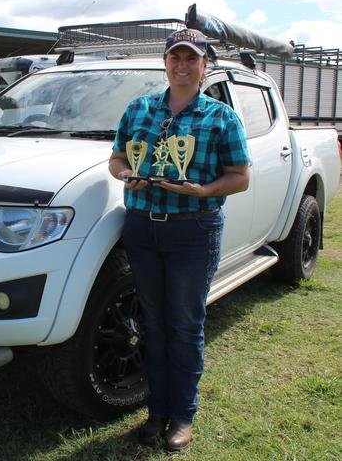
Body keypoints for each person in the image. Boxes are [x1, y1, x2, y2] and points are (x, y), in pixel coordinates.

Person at [108, 28, 250, 451]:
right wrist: (125, 175)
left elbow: (240, 177)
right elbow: (117, 158)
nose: (182, 65)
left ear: (205, 66)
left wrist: (203, 191)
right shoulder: (139, 109)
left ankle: (182, 417)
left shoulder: (220, 117)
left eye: (192, 58)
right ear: (165, 63)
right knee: (152, 322)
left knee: (185, 325)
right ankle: (156, 412)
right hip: (142, 226)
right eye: (175, 57)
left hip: (194, 230)